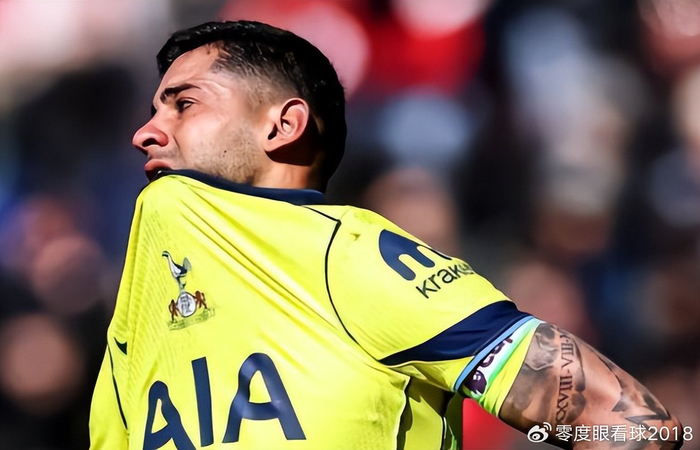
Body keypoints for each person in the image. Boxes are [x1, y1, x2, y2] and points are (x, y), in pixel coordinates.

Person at [89, 21, 685, 449]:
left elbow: (630, 425)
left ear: (283, 125)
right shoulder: (137, 308)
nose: (145, 133)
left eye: (184, 104)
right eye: (153, 110)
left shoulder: (347, 256)